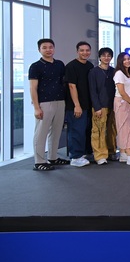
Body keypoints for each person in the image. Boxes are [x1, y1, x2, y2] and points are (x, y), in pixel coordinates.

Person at [29, 38, 69, 171]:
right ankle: (39, 161)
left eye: (50, 47)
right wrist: (36, 107)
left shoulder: (59, 64)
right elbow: (33, 88)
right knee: (41, 133)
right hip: (44, 103)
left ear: (54, 49)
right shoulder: (35, 66)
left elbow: (63, 83)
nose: (48, 50)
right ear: (39, 50)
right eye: (44, 47)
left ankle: (53, 158)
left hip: (60, 101)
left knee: (56, 131)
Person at [65, 41, 94, 167]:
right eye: (82, 50)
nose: (85, 53)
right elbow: (72, 86)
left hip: (88, 105)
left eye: (87, 50)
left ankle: (85, 153)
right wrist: (77, 105)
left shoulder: (90, 65)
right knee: (76, 131)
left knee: (86, 130)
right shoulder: (71, 66)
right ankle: (75, 157)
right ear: (77, 51)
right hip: (75, 106)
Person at [88, 47, 117, 165]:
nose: (106, 58)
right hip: (100, 106)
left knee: (112, 130)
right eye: (104, 55)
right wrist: (97, 107)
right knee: (98, 130)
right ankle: (100, 155)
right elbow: (92, 91)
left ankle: (111, 151)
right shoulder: (94, 72)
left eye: (109, 55)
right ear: (100, 57)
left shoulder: (114, 71)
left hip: (113, 105)